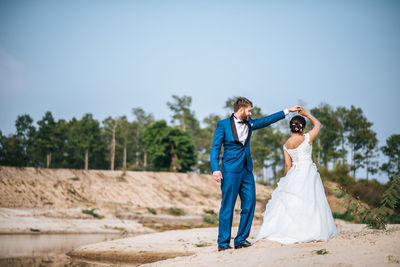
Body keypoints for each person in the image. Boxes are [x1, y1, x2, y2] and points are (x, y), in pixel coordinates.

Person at [210, 97, 302, 251]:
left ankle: (240, 239)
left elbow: (267, 120)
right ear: (241, 110)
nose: (251, 112)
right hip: (230, 170)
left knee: (250, 202)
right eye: (249, 110)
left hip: (247, 170)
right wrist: (215, 169)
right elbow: (215, 148)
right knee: (227, 206)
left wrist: (288, 111)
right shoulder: (223, 125)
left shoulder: (250, 123)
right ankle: (223, 243)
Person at [254, 108, 338, 244]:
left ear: (290, 128)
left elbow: (288, 165)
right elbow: (318, 125)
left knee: (293, 203)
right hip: (308, 172)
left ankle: (291, 230)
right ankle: (311, 230)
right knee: (312, 201)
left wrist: (288, 181)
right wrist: (307, 114)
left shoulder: (286, 145)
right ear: (303, 128)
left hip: (295, 173)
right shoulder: (307, 138)